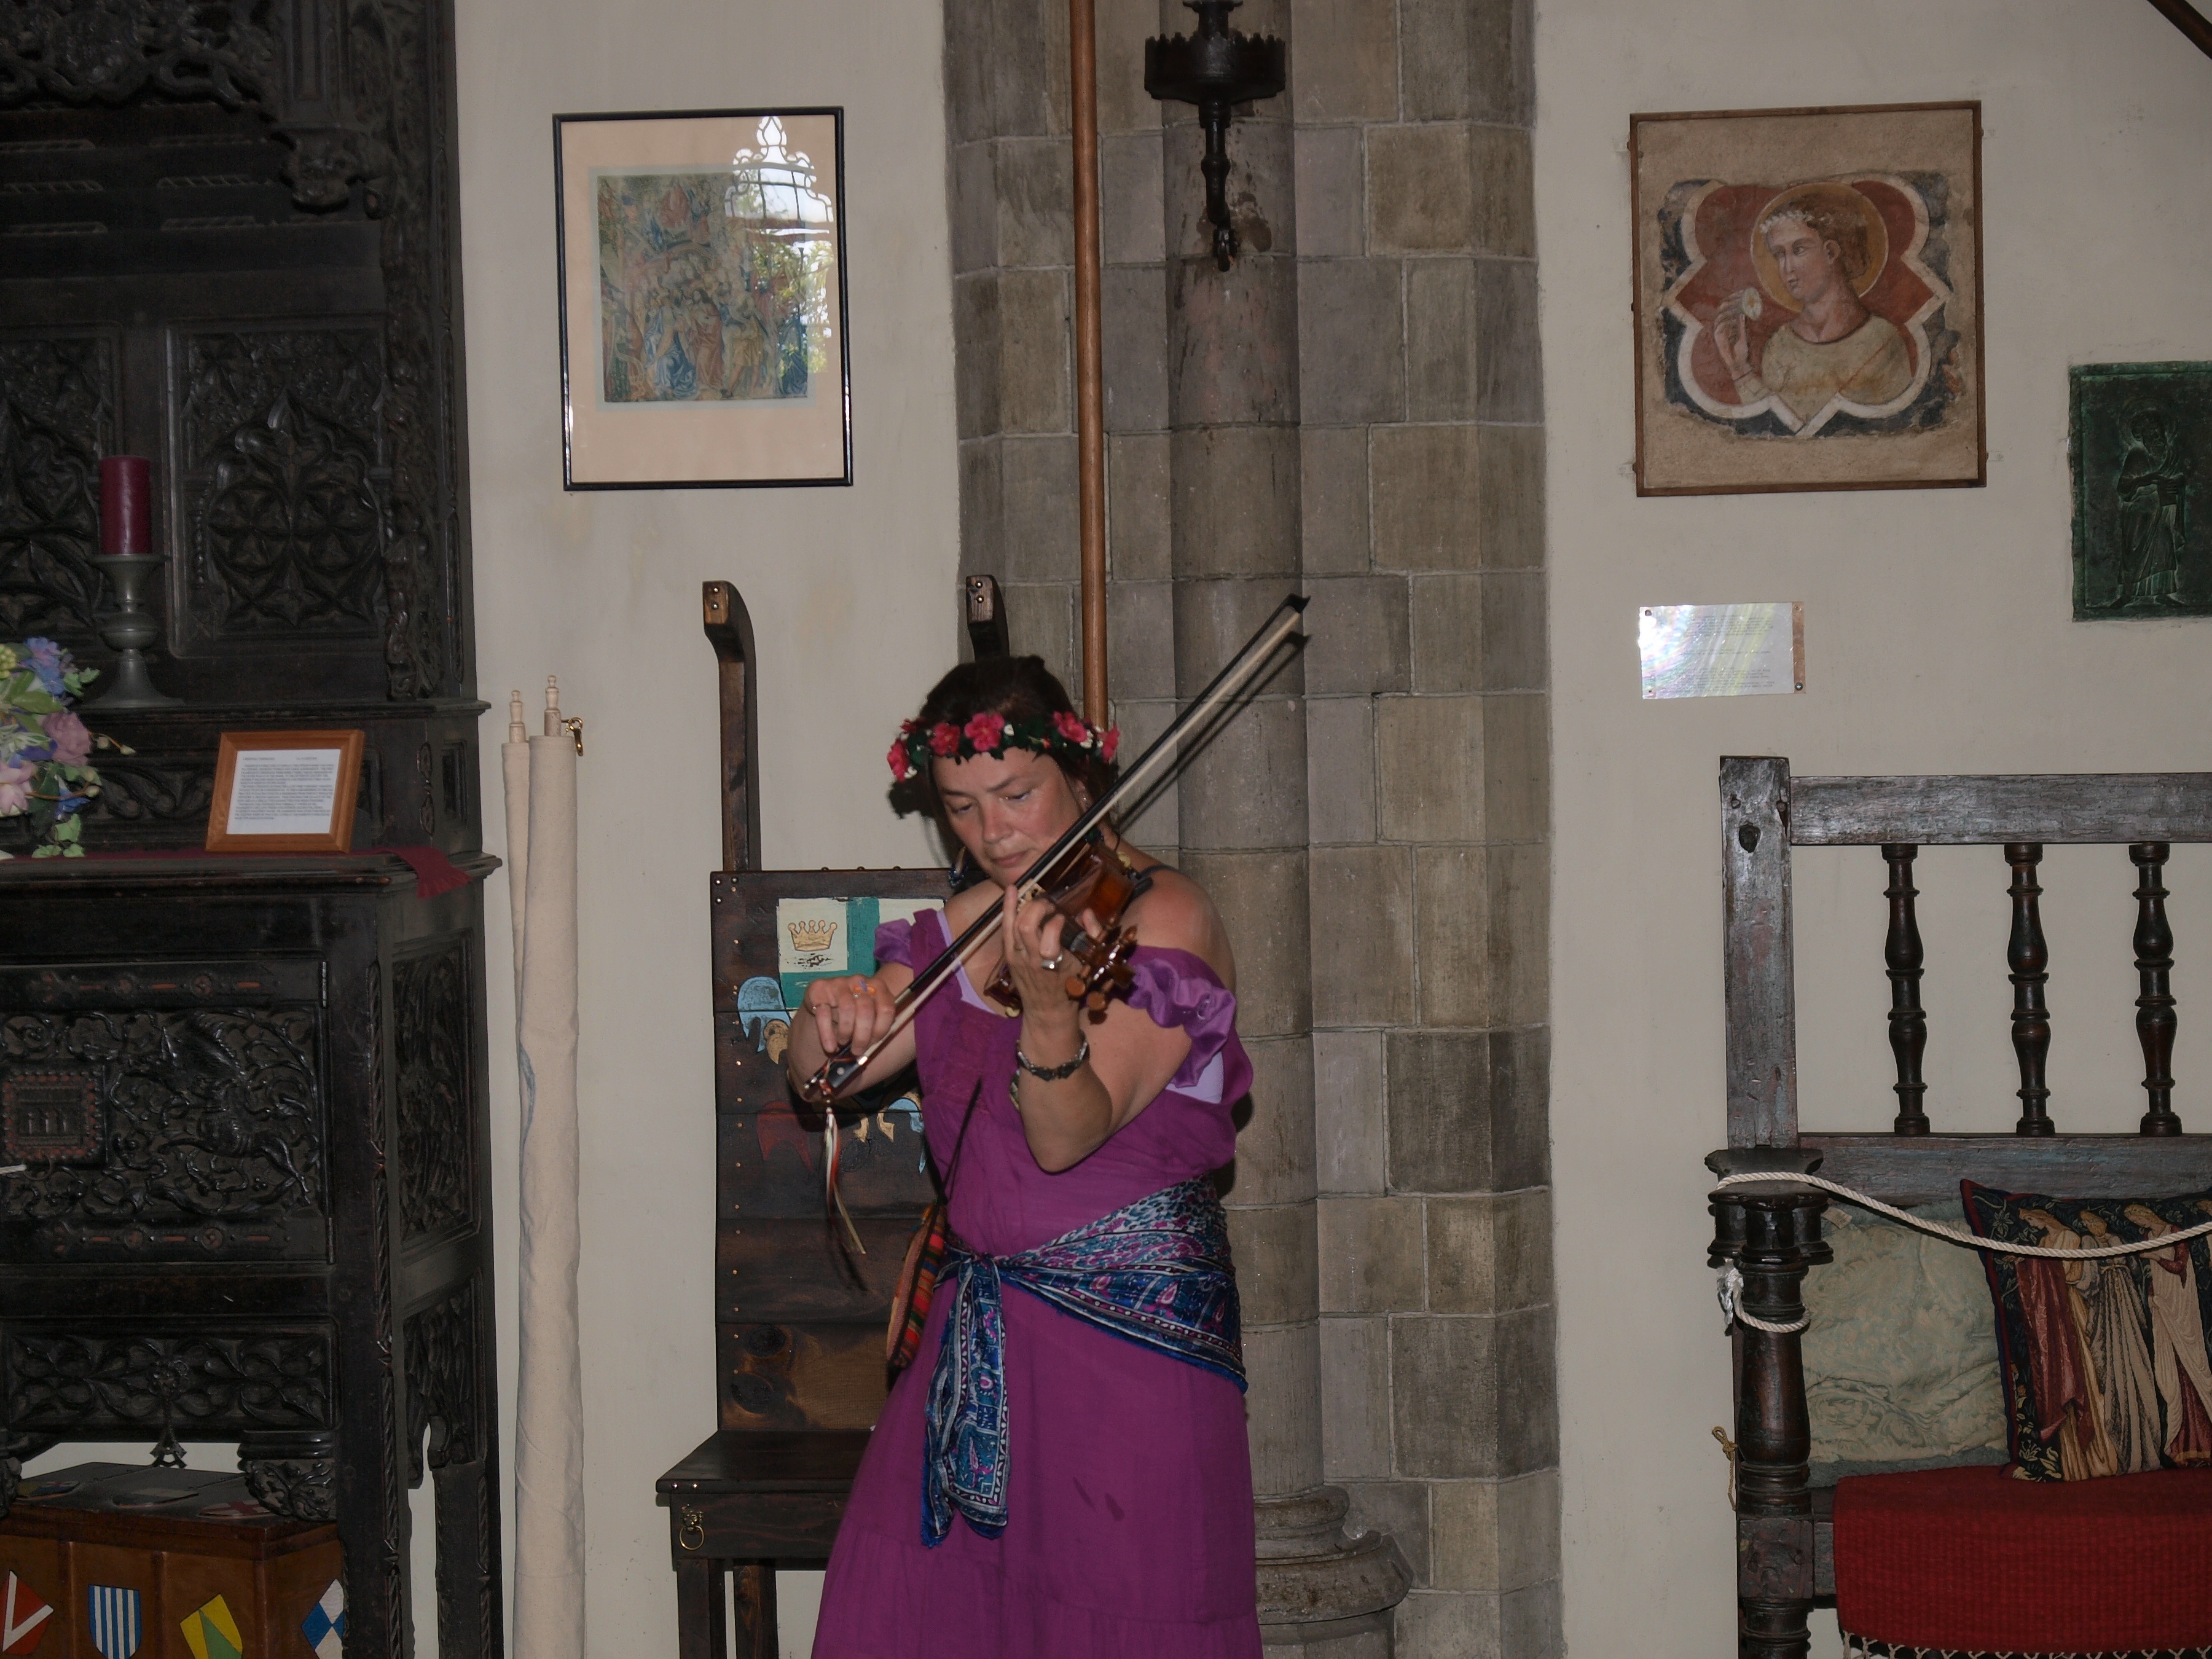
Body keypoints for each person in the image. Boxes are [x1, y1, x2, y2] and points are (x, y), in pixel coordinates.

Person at [788, 655, 1261, 1659]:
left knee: (1119, 1618)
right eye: (961, 809)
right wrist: (826, 1017)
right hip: (979, 1335)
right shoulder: (971, 924)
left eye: (1017, 795)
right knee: (911, 1614)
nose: (992, 832)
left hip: (1130, 1350)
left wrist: (1049, 1016)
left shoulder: (1164, 918)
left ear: (1080, 778)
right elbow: (822, 1077)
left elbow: (1066, 1136)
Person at [1711, 190, 1913, 429]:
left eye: (1799, 250)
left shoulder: (1883, 341)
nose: (1787, 268)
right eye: (1779, 255)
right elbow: (1779, 432)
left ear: (1831, 252)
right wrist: (1739, 369)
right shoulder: (1779, 346)